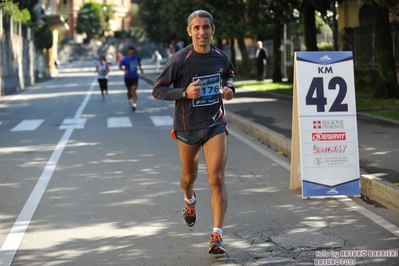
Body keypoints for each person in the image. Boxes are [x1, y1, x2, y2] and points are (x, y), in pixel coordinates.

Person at [152, 10, 235, 255]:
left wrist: (229, 89)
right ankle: (189, 200)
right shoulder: (180, 59)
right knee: (189, 178)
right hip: (187, 127)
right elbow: (158, 90)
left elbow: (229, 75)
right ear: (189, 31)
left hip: (214, 124)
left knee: (216, 179)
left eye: (206, 27)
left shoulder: (221, 56)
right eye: (197, 28)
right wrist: (184, 93)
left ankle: (217, 236)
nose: (202, 32)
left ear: (213, 29)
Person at [119, 46, 144, 111]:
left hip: (135, 76)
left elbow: (139, 63)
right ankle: (129, 98)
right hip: (127, 77)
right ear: (128, 52)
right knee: (129, 90)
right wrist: (124, 70)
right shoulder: (125, 59)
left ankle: (134, 104)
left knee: (134, 89)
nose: (131, 54)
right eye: (130, 53)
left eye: (132, 52)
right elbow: (120, 66)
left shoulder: (137, 57)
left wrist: (141, 69)